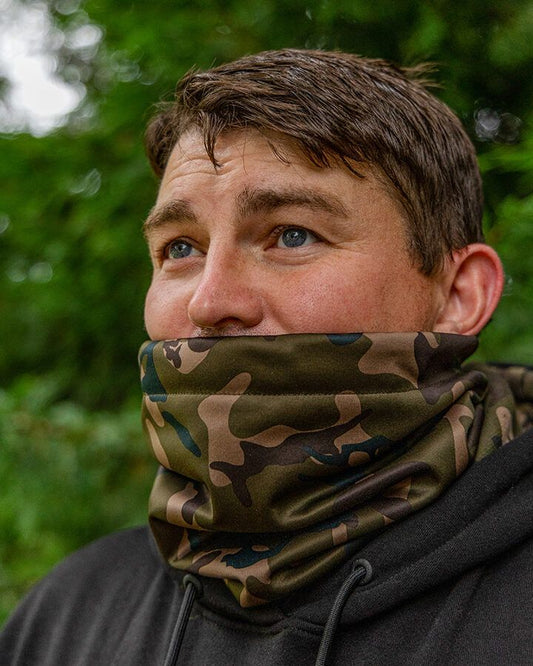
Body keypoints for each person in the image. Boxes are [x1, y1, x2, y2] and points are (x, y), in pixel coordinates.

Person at [2, 48, 532, 665]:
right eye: (180, 248)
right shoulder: (66, 616)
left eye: (292, 235)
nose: (209, 301)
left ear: (459, 295)